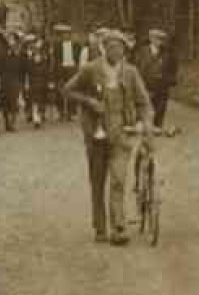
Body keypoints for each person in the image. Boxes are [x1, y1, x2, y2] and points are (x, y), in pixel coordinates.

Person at [63, 30, 154, 244]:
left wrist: (145, 121)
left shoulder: (131, 72)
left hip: (122, 134)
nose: (117, 51)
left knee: (118, 180)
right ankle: (100, 227)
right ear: (104, 48)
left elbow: (144, 103)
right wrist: (89, 102)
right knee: (97, 181)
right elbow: (67, 90)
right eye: (112, 47)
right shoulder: (90, 69)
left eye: (121, 48)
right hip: (96, 134)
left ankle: (119, 227)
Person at [137, 27, 179, 131]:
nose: (159, 41)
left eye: (161, 39)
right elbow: (136, 69)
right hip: (144, 88)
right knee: (143, 116)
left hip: (161, 90)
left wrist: (168, 81)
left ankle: (157, 138)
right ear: (151, 39)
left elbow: (173, 70)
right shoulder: (142, 52)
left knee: (158, 118)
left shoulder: (168, 53)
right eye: (157, 38)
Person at [0, 30, 26, 132]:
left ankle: (12, 123)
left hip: (15, 82)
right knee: (5, 103)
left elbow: (23, 69)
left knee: (14, 103)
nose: (13, 45)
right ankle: (7, 122)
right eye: (10, 43)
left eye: (14, 43)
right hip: (4, 81)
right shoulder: (3, 55)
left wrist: (22, 82)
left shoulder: (20, 55)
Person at [52, 23, 80, 121]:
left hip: (72, 69)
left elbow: (78, 58)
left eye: (67, 34)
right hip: (61, 69)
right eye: (63, 34)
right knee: (60, 91)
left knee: (72, 90)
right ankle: (60, 112)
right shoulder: (57, 46)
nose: (65, 36)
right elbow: (55, 60)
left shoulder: (76, 45)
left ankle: (71, 112)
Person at [25, 33, 53, 129]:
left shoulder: (44, 60)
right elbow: (28, 72)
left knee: (42, 101)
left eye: (38, 50)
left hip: (42, 83)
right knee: (34, 101)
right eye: (35, 50)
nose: (37, 52)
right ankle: (36, 119)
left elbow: (47, 72)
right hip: (33, 83)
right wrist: (27, 83)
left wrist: (49, 82)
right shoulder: (30, 61)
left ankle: (40, 116)